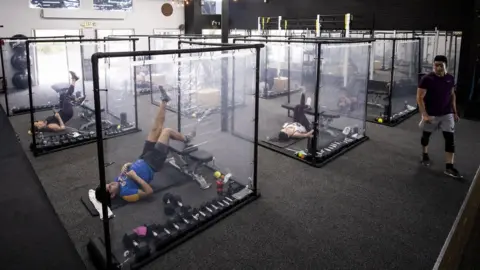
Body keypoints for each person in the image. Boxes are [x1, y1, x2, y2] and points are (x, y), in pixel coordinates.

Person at [95, 87, 196, 203]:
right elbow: (149, 192)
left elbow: (129, 168)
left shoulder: (116, 182)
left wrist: (126, 165)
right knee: (166, 131)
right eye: (110, 187)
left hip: (143, 157)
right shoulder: (126, 194)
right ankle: (186, 139)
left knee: (155, 128)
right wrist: (135, 177)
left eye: (108, 184)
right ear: (112, 195)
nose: (111, 183)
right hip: (153, 163)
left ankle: (164, 100)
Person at [417, 55, 462, 178]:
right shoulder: (427, 79)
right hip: (431, 114)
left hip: (447, 114)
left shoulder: (450, 78)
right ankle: (425, 154)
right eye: (435, 65)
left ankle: (449, 167)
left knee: (450, 140)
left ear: (446, 66)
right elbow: (419, 98)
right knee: (426, 136)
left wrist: (455, 111)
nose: (437, 68)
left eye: (440, 65)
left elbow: (452, 94)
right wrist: (424, 114)